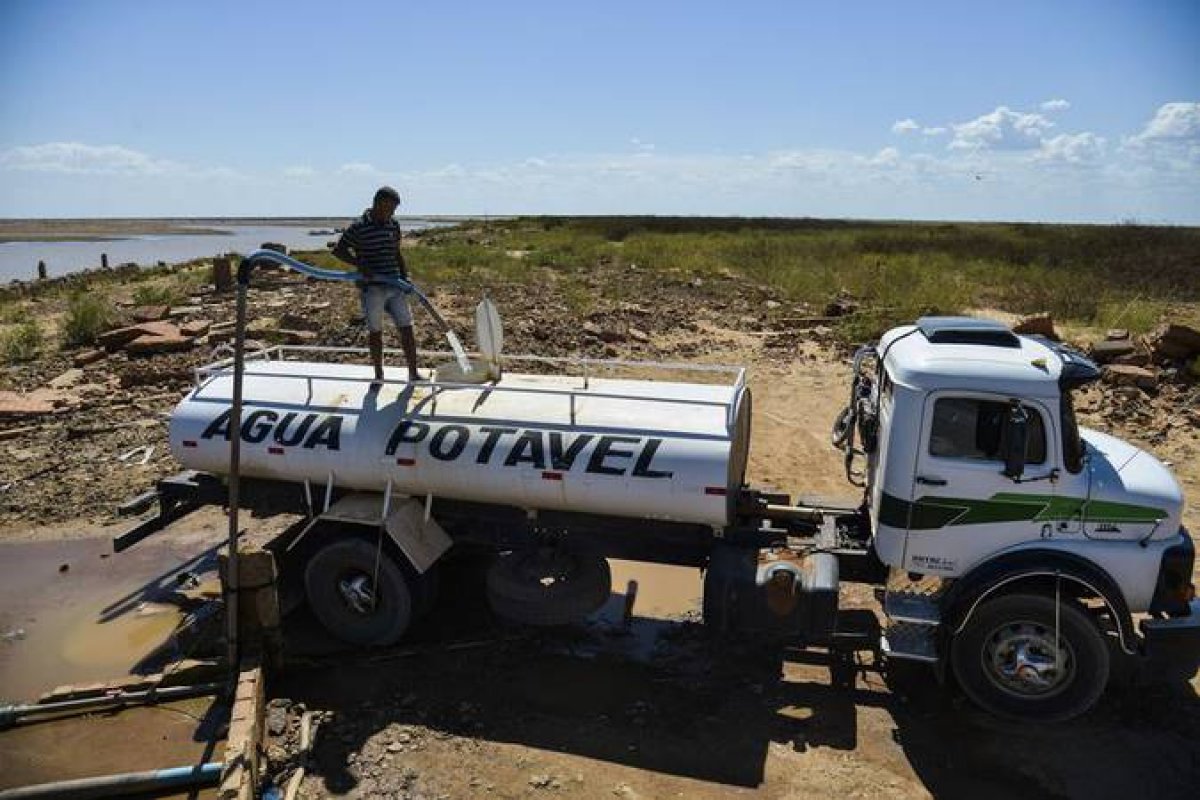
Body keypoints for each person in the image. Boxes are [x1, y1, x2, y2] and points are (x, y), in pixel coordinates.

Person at [332, 186, 421, 383]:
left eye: (394, 210)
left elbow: (397, 252)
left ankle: (414, 373)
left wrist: (405, 277)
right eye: (389, 208)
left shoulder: (393, 225)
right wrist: (359, 264)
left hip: (395, 284)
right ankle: (379, 376)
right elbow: (338, 250)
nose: (391, 213)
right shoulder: (358, 226)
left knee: (407, 328)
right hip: (372, 288)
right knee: (375, 331)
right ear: (377, 203)